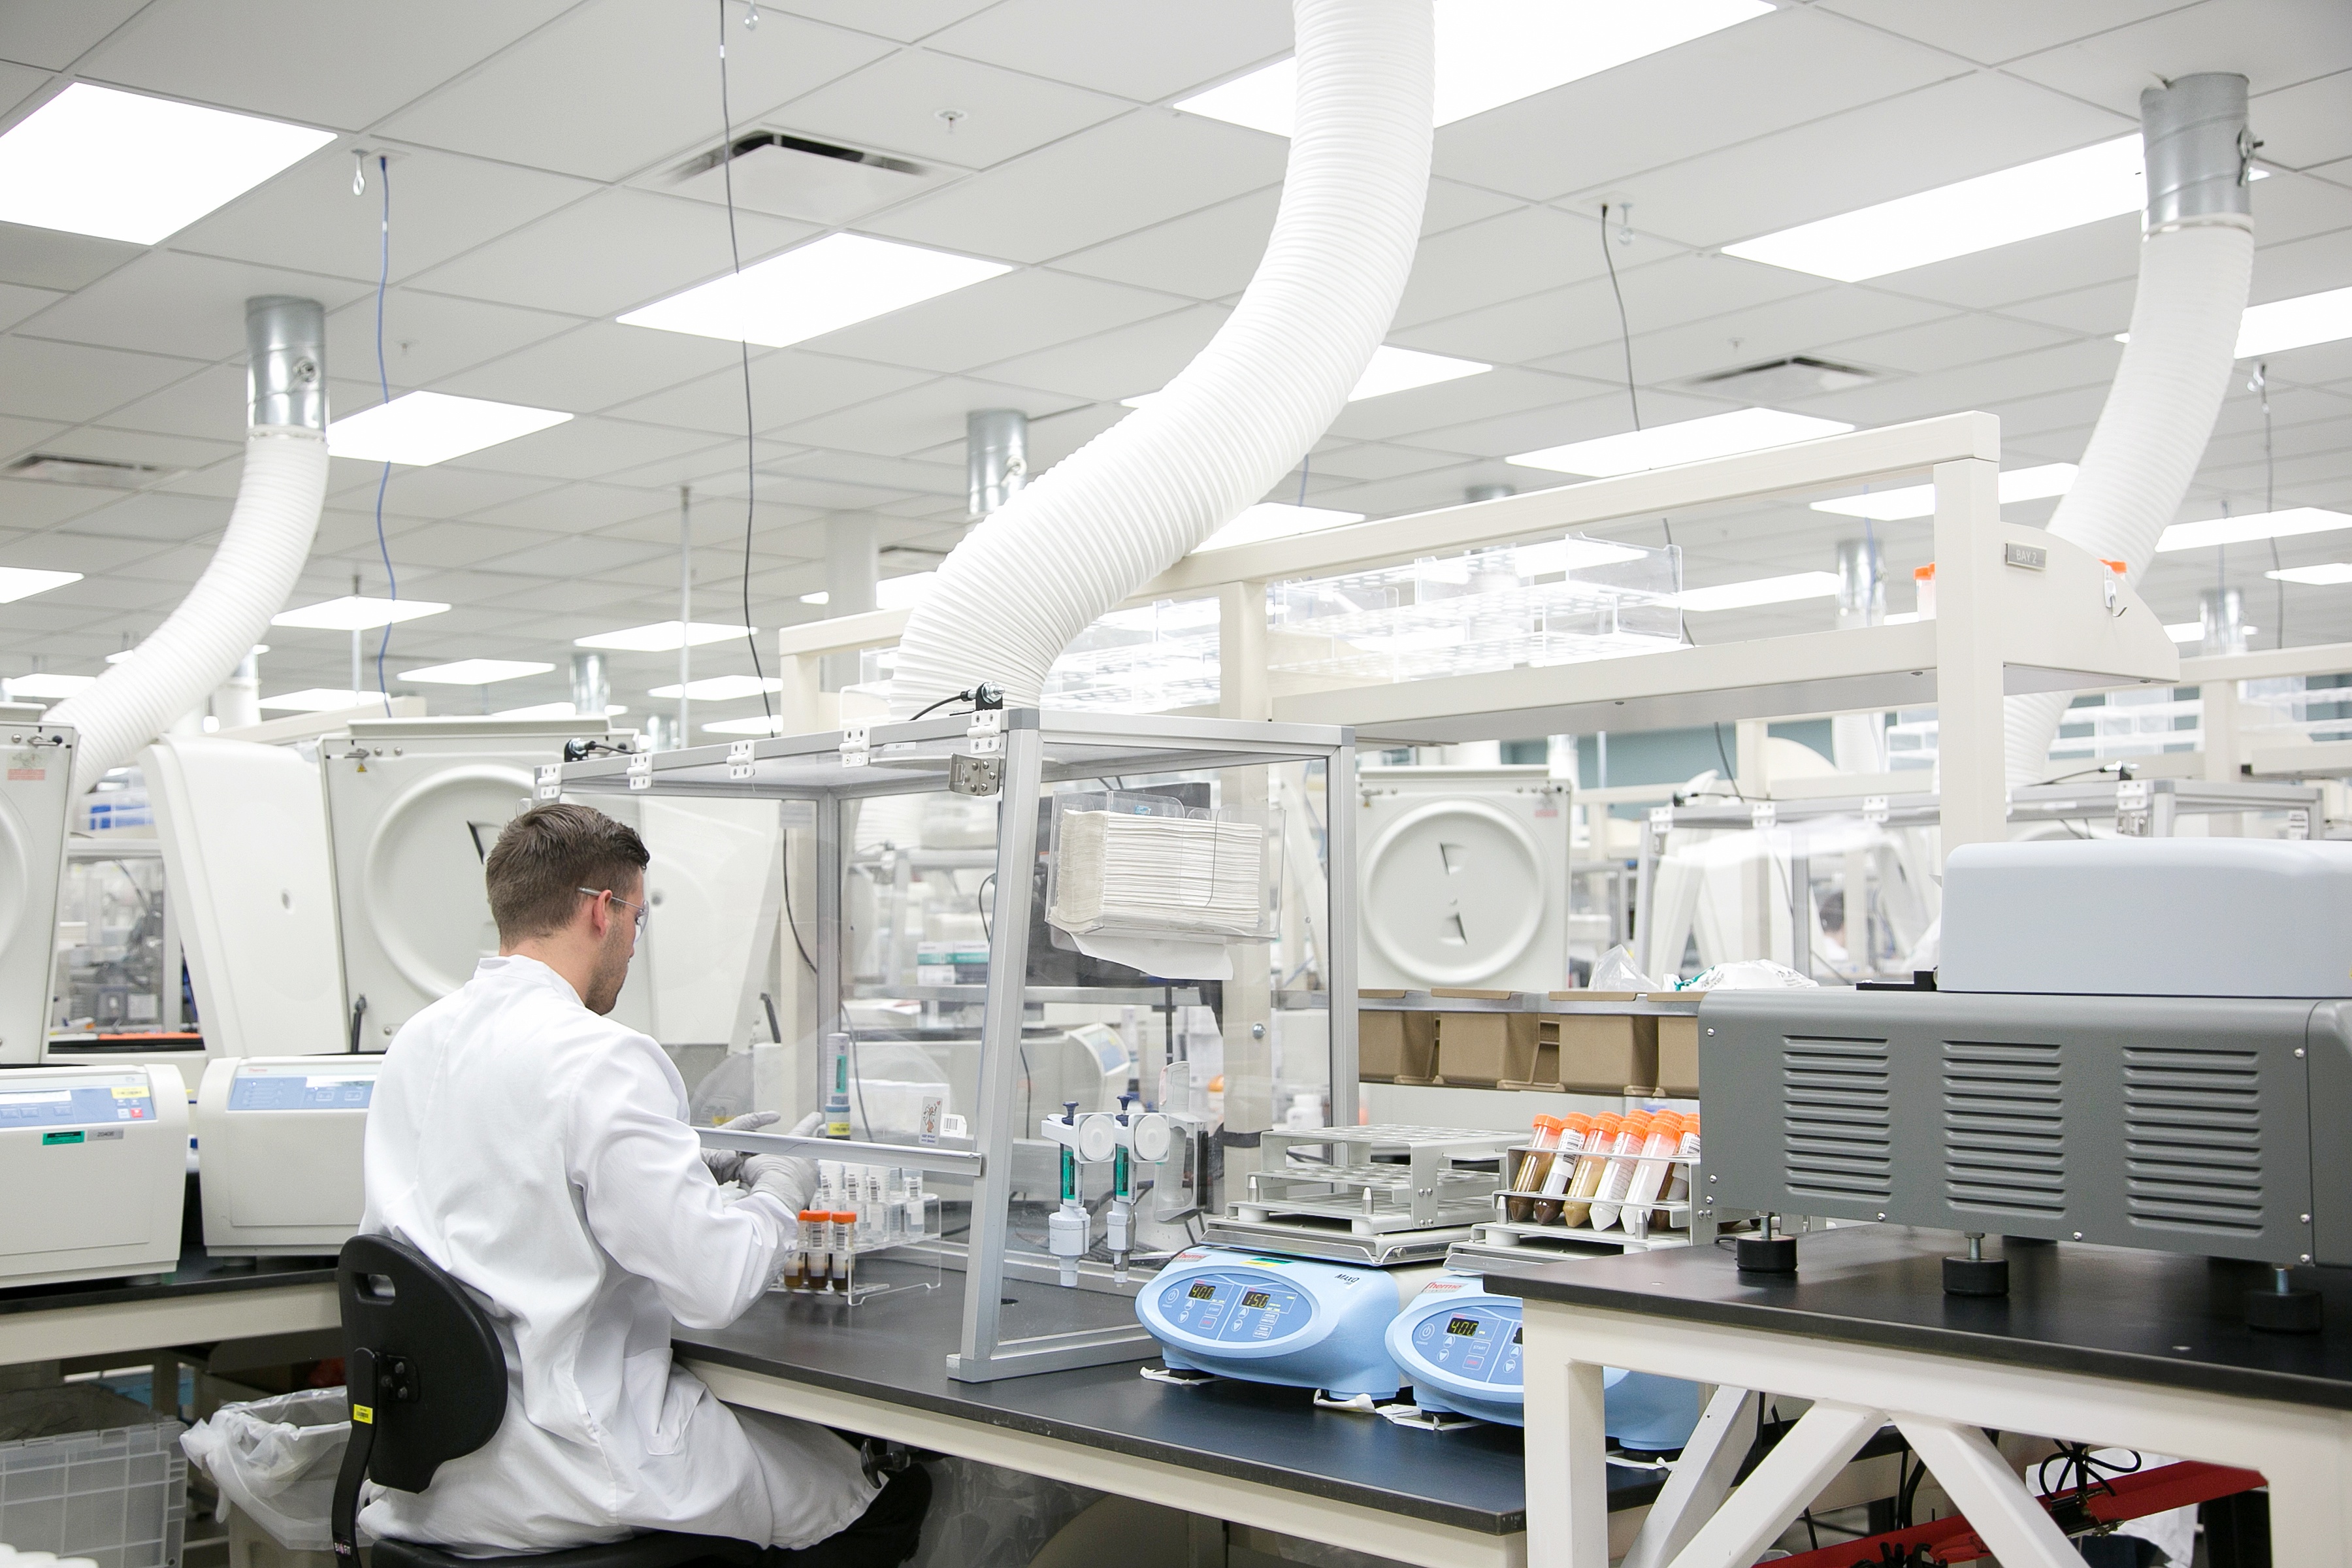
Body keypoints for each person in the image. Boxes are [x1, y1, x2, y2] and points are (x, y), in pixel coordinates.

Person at [359, 802, 928, 1563]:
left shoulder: (418, 1042)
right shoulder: (603, 1057)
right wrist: (780, 1191)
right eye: (637, 920)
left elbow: (513, 1188)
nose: (633, 944)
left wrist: (684, 1167)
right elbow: (716, 1284)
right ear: (603, 911)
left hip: (433, 1472)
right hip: (572, 1463)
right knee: (883, 1496)